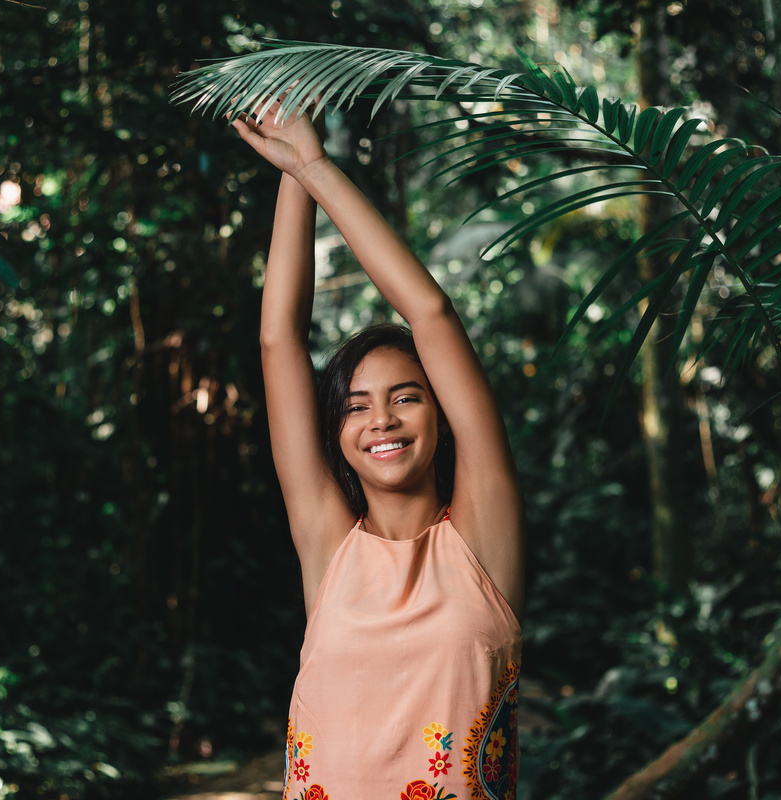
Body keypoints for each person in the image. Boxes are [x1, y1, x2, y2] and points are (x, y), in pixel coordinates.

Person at [232, 98, 524, 800]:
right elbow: (279, 342)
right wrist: (292, 171)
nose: (382, 421)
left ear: (443, 414)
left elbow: (429, 312)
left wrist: (319, 165)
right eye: (355, 406)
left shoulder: (482, 538)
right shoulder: (328, 544)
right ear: (334, 434)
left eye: (406, 395)